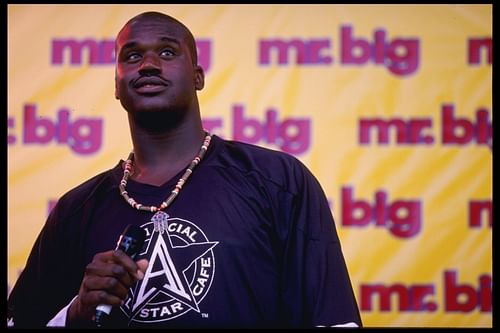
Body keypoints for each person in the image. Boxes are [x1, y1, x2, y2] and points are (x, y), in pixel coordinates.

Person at [7, 11, 362, 328]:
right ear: (116, 85)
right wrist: (76, 312)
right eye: (132, 56)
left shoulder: (278, 181)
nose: (147, 64)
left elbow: (332, 321)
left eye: (166, 52)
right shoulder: (77, 210)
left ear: (198, 76)